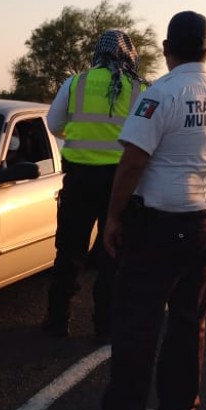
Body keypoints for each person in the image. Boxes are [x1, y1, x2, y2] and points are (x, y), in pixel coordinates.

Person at [66, 11, 206, 410]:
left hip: (160, 228)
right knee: (189, 327)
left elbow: (132, 162)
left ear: (166, 49)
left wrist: (113, 217)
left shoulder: (161, 94)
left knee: (137, 328)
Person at [43, 29, 147, 344]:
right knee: (113, 254)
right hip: (121, 182)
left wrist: (78, 137)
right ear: (130, 55)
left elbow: (53, 124)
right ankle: (105, 324)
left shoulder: (75, 83)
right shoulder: (139, 89)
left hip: (78, 179)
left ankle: (57, 321)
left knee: (70, 251)